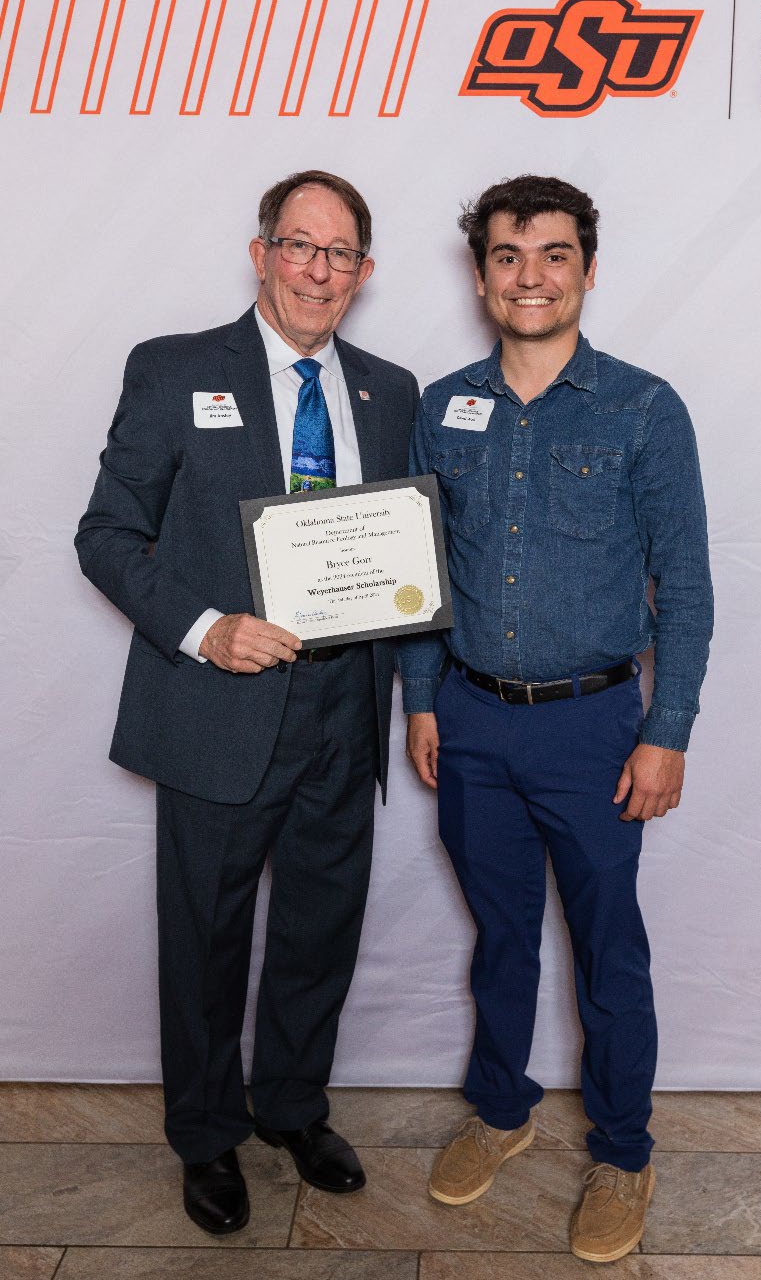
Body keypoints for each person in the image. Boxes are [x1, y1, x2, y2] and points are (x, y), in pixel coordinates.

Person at [76, 171, 418, 1234]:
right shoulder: (176, 371)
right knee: (207, 938)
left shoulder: (389, 389)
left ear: (364, 272)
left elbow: (406, 554)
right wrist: (205, 629)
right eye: (299, 245)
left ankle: (292, 1108)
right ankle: (208, 1134)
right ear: (261, 251)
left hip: (342, 707)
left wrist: (413, 697)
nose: (319, 270)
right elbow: (106, 536)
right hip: (219, 705)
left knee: (321, 928)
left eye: (341, 253)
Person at [401, 175, 713, 1264]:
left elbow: (688, 585)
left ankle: (623, 1153)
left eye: (550, 254)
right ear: (480, 271)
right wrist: (421, 701)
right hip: (472, 725)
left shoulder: (641, 407)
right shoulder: (440, 407)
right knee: (499, 939)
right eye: (504, 255)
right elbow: (418, 573)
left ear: (587, 266)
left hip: (593, 732)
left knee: (606, 949)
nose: (527, 275)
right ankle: (501, 1110)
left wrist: (663, 727)